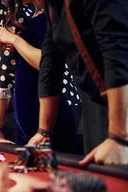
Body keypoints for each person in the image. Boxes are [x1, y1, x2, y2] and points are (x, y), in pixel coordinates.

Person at [0, 0, 81, 152]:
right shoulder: (2, 20)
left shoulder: (17, 14)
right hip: (31, 111)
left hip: (57, 104)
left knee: (55, 167)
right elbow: (4, 82)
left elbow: (49, 64)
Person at [25, 0, 128, 165]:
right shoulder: (53, 9)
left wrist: (120, 137)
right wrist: (43, 132)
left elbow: (118, 49)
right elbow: (50, 67)